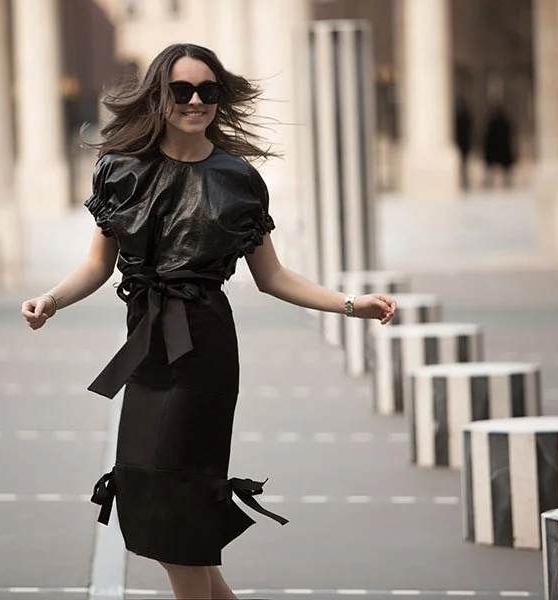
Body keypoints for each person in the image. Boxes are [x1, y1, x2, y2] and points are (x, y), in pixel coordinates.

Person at [20, 43, 397, 600]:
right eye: (182, 90)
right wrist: (50, 301)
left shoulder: (238, 178)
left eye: (207, 91)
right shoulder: (121, 171)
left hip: (204, 353)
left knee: (177, 518)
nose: (196, 100)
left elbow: (272, 276)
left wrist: (349, 304)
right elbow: (98, 265)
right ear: (159, 96)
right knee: (161, 506)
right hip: (147, 350)